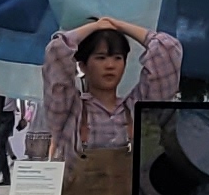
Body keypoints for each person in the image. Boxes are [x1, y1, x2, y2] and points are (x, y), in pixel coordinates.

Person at [30, 16, 183, 160]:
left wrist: (119, 26)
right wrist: (95, 26)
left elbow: (168, 50)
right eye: (101, 58)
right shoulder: (69, 110)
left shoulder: (138, 107)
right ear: (82, 66)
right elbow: (57, 51)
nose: (110, 65)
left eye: (117, 58)